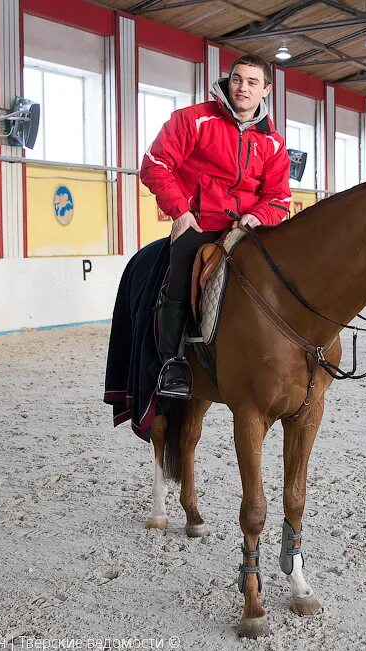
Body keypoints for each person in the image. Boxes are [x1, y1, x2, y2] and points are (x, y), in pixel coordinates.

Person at [140, 54, 292, 399]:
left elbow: (279, 196)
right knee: (181, 274)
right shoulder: (193, 120)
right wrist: (180, 212)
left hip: (248, 227)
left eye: (253, 83)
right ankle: (172, 363)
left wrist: (260, 216)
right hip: (201, 221)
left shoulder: (274, 142)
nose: (243, 87)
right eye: (237, 79)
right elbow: (155, 164)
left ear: (265, 90)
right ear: (228, 80)